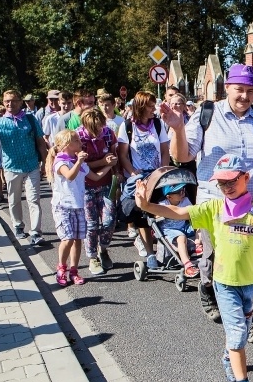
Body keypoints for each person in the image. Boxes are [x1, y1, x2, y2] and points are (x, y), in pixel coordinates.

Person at [135, 153, 253, 382]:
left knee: (238, 333)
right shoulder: (213, 209)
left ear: (246, 178)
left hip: (249, 284)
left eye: (231, 180)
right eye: (221, 182)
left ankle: (229, 356)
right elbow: (178, 211)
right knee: (238, 335)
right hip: (224, 284)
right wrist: (147, 206)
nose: (226, 187)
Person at [161, 64, 253, 344]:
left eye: (249, 91)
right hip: (217, 208)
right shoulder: (207, 114)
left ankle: (247, 319)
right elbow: (182, 155)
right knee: (213, 263)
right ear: (227, 88)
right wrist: (178, 128)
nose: (244, 96)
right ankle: (207, 288)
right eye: (239, 90)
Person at [0, 90, 48, 246]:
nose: (10, 104)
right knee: (14, 199)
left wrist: (45, 162)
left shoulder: (30, 119)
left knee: (34, 200)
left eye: (13, 101)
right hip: (11, 167)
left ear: (20, 102)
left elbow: (40, 142)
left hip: (31, 166)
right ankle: (18, 225)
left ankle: (36, 232)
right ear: (3, 103)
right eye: (6, 101)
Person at [46, 129, 115, 286]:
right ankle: (61, 268)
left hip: (78, 206)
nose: (81, 143)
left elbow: (95, 176)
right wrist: (78, 162)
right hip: (63, 206)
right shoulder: (60, 161)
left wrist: (109, 166)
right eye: (77, 140)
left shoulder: (79, 162)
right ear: (67, 144)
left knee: (77, 240)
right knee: (68, 238)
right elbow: (69, 176)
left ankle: (74, 270)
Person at [117, 91, 170, 261]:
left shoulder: (158, 124)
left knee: (162, 211)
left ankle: (167, 248)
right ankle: (149, 253)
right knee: (142, 214)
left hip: (157, 175)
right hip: (139, 177)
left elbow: (164, 150)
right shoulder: (127, 127)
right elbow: (123, 155)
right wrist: (132, 172)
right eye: (150, 106)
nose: (153, 109)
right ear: (140, 107)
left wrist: (163, 170)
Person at [77, 108, 119, 276]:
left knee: (109, 220)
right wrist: (103, 161)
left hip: (107, 183)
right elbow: (81, 166)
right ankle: (92, 257)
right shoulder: (78, 137)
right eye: (94, 129)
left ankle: (104, 249)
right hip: (86, 185)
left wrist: (116, 171)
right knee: (92, 224)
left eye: (100, 127)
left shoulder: (108, 133)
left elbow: (114, 154)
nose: (97, 132)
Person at [155, 183, 202, 277]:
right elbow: (156, 216)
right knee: (181, 237)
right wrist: (162, 214)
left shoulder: (185, 200)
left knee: (201, 225)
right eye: (179, 192)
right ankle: (187, 264)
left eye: (183, 190)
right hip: (169, 229)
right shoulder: (163, 204)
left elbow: (192, 213)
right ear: (169, 196)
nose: (182, 193)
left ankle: (197, 245)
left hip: (183, 225)